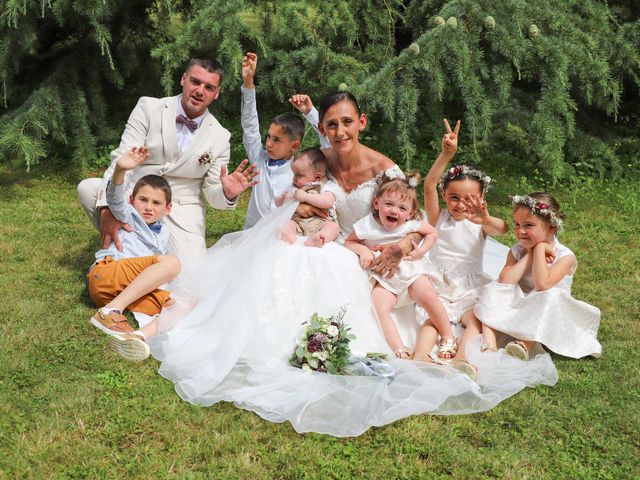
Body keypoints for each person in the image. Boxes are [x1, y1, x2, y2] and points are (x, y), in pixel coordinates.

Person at [145, 92, 557, 437]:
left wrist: (402, 244)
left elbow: (415, 217)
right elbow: (298, 194)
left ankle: (387, 339)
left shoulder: (383, 168)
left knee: (343, 272)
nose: (339, 132)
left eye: (346, 122)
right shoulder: (316, 160)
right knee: (289, 259)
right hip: (333, 240)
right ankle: (278, 334)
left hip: (377, 249)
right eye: (330, 125)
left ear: (361, 122)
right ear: (321, 129)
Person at [77, 58, 258, 262]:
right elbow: (122, 159)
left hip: (181, 209)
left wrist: (227, 193)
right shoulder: (148, 107)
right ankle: (127, 247)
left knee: (189, 280)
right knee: (88, 189)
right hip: (135, 196)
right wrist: (106, 209)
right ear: (183, 79)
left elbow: (213, 195)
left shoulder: (220, 136)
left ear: (217, 93)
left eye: (209, 87)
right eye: (195, 82)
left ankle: (147, 256)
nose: (200, 91)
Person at [410, 123, 508, 378]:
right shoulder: (437, 217)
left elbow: (503, 228)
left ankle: (462, 357)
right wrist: (447, 155)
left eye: (469, 199)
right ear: (444, 195)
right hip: (439, 282)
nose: (461, 204)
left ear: (481, 197)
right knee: (432, 318)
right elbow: (428, 185)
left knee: (474, 319)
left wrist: (486, 218)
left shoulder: (480, 223)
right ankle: (420, 355)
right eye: (454, 197)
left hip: (469, 284)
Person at [474, 192, 602, 360]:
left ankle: (524, 344)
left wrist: (540, 249)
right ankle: (489, 343)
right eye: (517, 224)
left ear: (552, 227)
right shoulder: (517, 251)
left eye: (528, 225)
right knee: (493, 288)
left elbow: (542, 284)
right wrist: (530, 255)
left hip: (549, 309)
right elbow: (506, 281)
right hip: (523, 302)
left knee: (550, 295)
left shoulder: (565, 256)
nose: (520, 231)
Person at [345, 173, 454, 359]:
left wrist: (421, 251)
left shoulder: (409, 225)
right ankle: (399, 347)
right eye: (389, 204)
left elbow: (432, 233)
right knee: (378, 305)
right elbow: (349, 242)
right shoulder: (367, 225)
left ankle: (448, 336)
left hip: (411, 272)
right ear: (376, 203)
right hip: (385, 277)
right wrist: (363, 251)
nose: (394, 211)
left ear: (410, 213)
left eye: (402, 208)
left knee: (427, 295)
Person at [88, 147, 181, 362]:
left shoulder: (164, 233)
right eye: (143, 200)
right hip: (107, 275)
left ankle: (137, 337)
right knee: (172, 263)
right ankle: (109, 312)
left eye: (156, 203)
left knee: (183, 305)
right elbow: (114, 196)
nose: (148, 207)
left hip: (124, 291)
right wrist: (120, 169)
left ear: (168, 209)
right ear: (132, 201)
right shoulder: (127, 215)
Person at [241, 52, 308, 229]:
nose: (268, 143)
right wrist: (248, 83)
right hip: (252, 236)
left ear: (294, 145)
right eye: (268, 137)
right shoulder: (259, 159)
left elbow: (328, 146)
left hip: (284, 238)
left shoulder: (302, 170)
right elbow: (250, 127)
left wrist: (310, 112)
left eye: (277, 140)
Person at [276, 148, 340, 247]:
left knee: (333, 227)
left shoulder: (326, 186)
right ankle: (289, 235)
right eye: (294, 174)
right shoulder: (294, 188)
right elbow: (278, 202)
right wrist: (285, 198)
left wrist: (305, 197)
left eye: (299, 175)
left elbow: (328, 201)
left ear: (318, 177)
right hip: (298, 223)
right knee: (288, 223)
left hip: (320, 223)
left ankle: (320, 238)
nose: (294, 179)